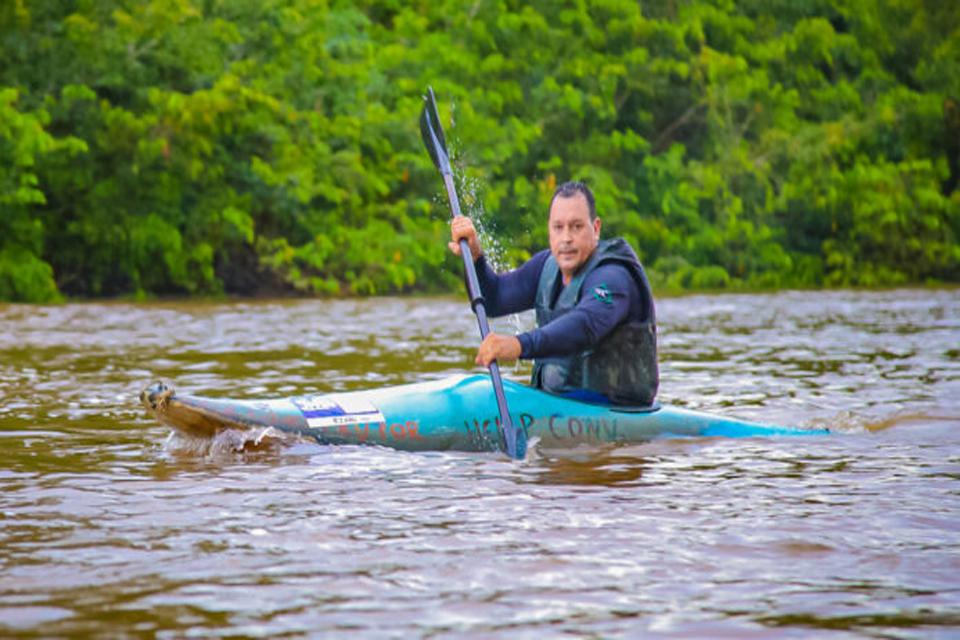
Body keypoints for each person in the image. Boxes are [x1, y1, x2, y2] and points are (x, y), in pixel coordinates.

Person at [449, 181, 659, 406]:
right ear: (549, 230)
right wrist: (475, 258)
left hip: (617, 410)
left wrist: (519, 345)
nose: (566, 238)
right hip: (556, 405)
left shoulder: (614, 276)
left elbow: (585, 324)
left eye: (576, 226)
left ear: (595, 228)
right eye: (558, 227)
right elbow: (494, 299)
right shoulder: (545, 267)